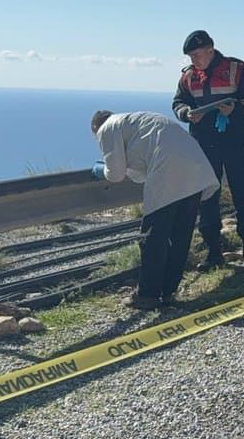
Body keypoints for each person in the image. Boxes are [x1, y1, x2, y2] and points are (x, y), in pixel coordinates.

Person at [91, 111, 219, 309]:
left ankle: (147, 295)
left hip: (167, 170)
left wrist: (101, 170)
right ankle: (168, 291)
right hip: (195, 168)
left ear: (95, 128)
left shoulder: (107, 128)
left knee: (153, 238)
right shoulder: (137, 120)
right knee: (180, 235)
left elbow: (115, 174)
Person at [172, 30, 244, 274]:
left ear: (210, 50)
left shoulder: (235, 68)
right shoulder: (188, 76)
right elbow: (178, 103)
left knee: (243, 196)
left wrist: (234, 110)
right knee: (207, 199)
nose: (194, 60)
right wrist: (187, 113)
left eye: (197, 55)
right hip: (204, 145)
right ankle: (214, 253)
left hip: (235, 143)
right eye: (190, 56)